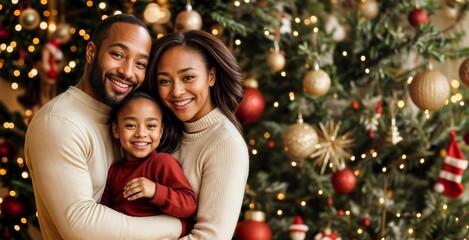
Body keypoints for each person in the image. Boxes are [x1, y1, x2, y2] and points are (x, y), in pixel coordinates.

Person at [24, 14, 183, 239]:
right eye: (118, 55)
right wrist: (179, 226)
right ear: (91, 52)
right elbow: (82, 227)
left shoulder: (126, 119)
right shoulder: (59, 123)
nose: (128, 72)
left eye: (140, 64)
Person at [143, 30, 250, 239]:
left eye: (188, 77)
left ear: (211, 76)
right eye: (165, 81)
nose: (176, 91)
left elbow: (211, 237)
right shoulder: (158, 132)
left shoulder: (226, 144)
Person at [101, 92, 197, 237]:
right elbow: (103, 214)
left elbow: (188, 206)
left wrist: (155, 191)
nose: (141, 133)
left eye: (151, 126)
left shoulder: (162, 162)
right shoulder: (114, 172)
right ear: (116, 130)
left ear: (161, 131)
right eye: (131, 125)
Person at [18, 23, 71, 117]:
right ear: (63, 34)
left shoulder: (56, 47)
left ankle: (49, 110)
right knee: (45, 93)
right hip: (48, 74)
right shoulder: (49, 46)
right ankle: (44, 111)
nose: (69, 37)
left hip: (53, 74)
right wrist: (51, 68)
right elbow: (45, 64)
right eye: (68, 34)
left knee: (51, 93)